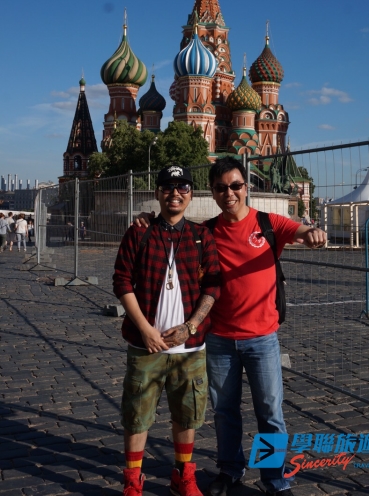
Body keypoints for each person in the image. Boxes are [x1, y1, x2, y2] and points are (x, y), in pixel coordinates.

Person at [136, 157, 326, 496]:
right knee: (224, 412)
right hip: (220, 339)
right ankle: (229, 470)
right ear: (212, 192)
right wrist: (146, 219)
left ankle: (274, 479)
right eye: (221, 188)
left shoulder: (267, 223)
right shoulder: (205, 232)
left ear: (246, 187)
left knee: (270, 413)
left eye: (236, 186)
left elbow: (299, 230)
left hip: (262, 338)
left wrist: (313, 233)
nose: (230, 193)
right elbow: (171, 228)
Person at [113, 165, 221, 496]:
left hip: (190, 348)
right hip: (146, 344)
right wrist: (145, 329)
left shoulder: (201, 236)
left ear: (191, 194)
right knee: (137, 414)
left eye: (183, 187)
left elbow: (213, 286)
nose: (175, 193)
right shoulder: (140, 232)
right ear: (158, 193)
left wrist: (191, 326)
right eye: (168, 187)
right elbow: (122, 281)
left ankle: (183, 474)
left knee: (188, 414)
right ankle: (133, 479)